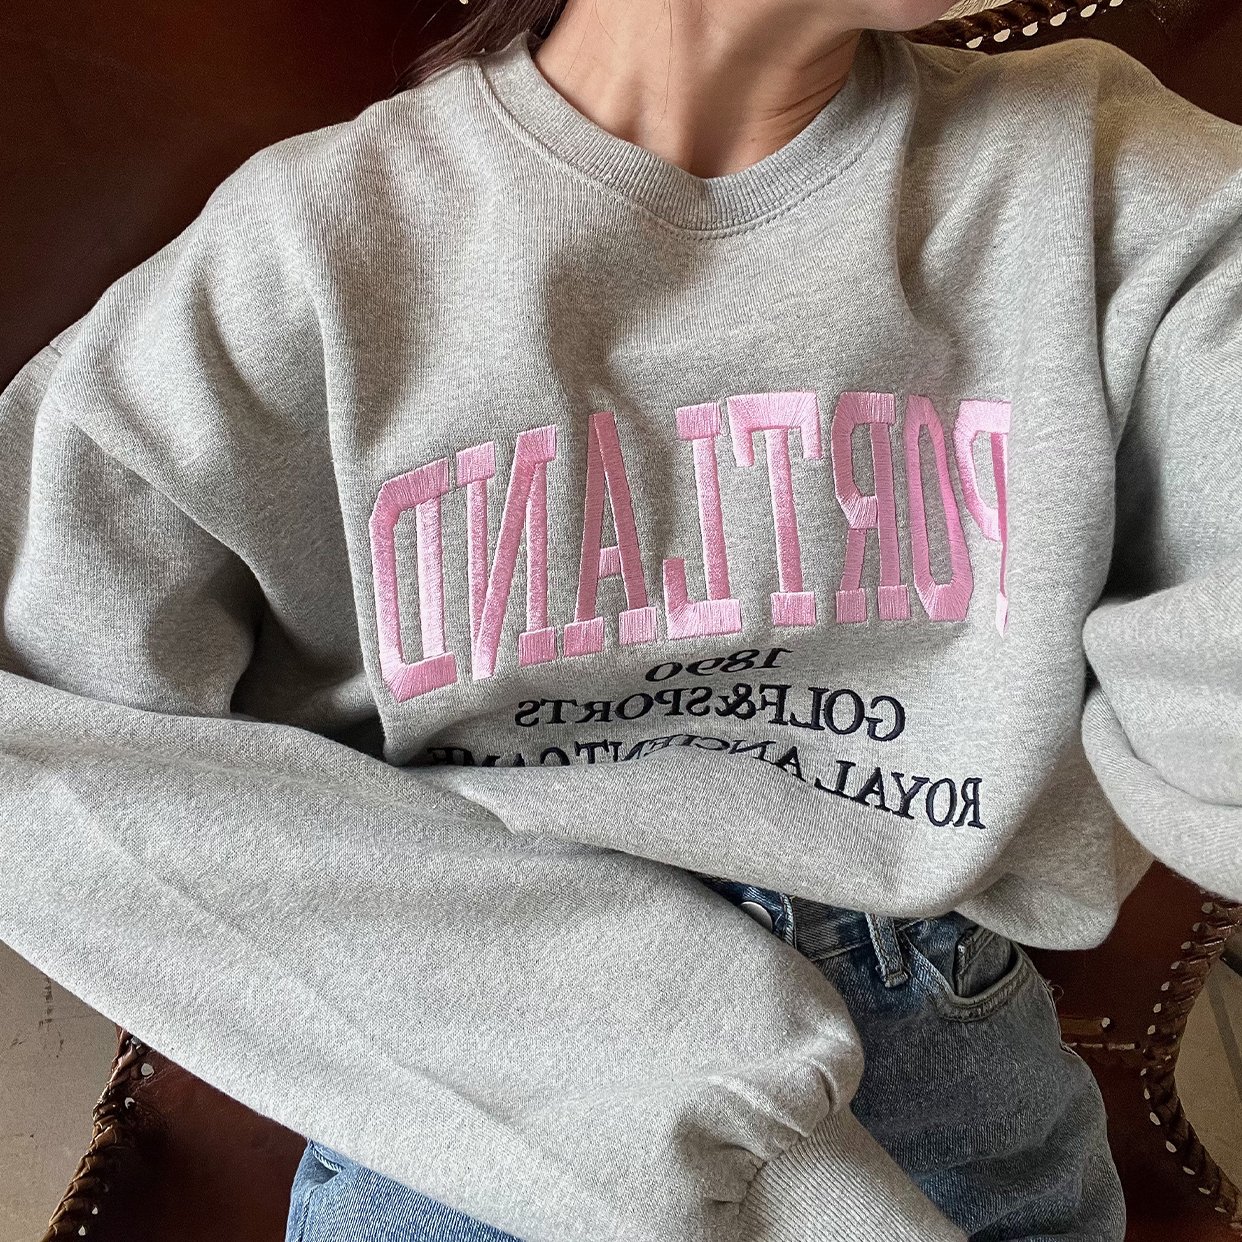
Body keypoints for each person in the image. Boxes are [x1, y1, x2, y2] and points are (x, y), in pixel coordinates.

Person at [0, 0, 1238, 1236]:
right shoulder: (310, 250)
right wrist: (665, 1078)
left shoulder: (1113, 184)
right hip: (494, 1098)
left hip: (955, 1076)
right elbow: (33, 727)